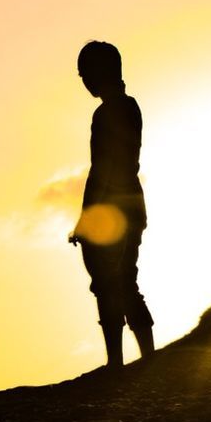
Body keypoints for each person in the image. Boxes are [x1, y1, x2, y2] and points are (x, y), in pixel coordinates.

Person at [68, 41, 155, 369]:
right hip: (128, 205)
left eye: (85, 73)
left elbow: (102, 168)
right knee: (116, 280)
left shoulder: (109, 112)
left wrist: (88, 218)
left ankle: (125, 362)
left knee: (114, 280)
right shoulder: (127, 107)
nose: (84, 81)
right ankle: (129, 360)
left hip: (114, 210)